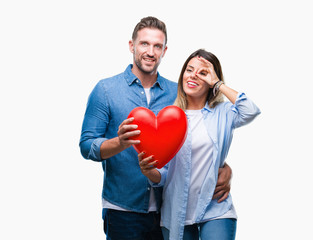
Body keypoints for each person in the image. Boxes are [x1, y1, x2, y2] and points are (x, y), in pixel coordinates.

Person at [79, 17, 233, 240]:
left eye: (157, 46)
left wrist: (225, 168)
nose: (150, 51)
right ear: (132, 46)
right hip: (123, 210)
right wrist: (119, 143)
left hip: (168, 212)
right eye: (144, 44)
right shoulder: (105, 90)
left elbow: (202, 137)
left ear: (164, 50)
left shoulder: (178, 93)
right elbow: (86, 146)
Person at [138, 49, 261, 240]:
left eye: (203, 73)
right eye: (189, 69)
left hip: (216, 208)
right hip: (176, 212)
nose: (193, 75)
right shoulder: (169, 118)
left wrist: (218, 83)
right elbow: (164, 175)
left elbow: (250, 110)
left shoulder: (223, 112)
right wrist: (148, 172)